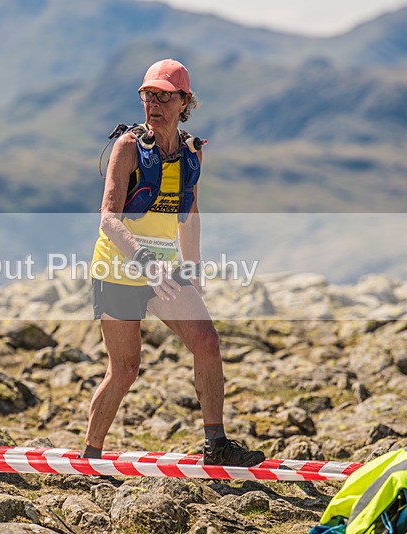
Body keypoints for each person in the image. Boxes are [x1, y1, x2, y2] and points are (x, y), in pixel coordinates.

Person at [83, 58, 265, 467]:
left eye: (164, 96)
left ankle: (216, 444)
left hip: (164, 271)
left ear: (185, 102)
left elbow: (191, 214)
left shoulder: (191, 152)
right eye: (148, 95)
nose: (154, 104)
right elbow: (109, 218)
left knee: (207, 342)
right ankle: (91, 458)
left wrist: (194, 272)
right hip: (119, 268)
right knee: (125, 369)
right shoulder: (128, 147)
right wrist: (145, 260)